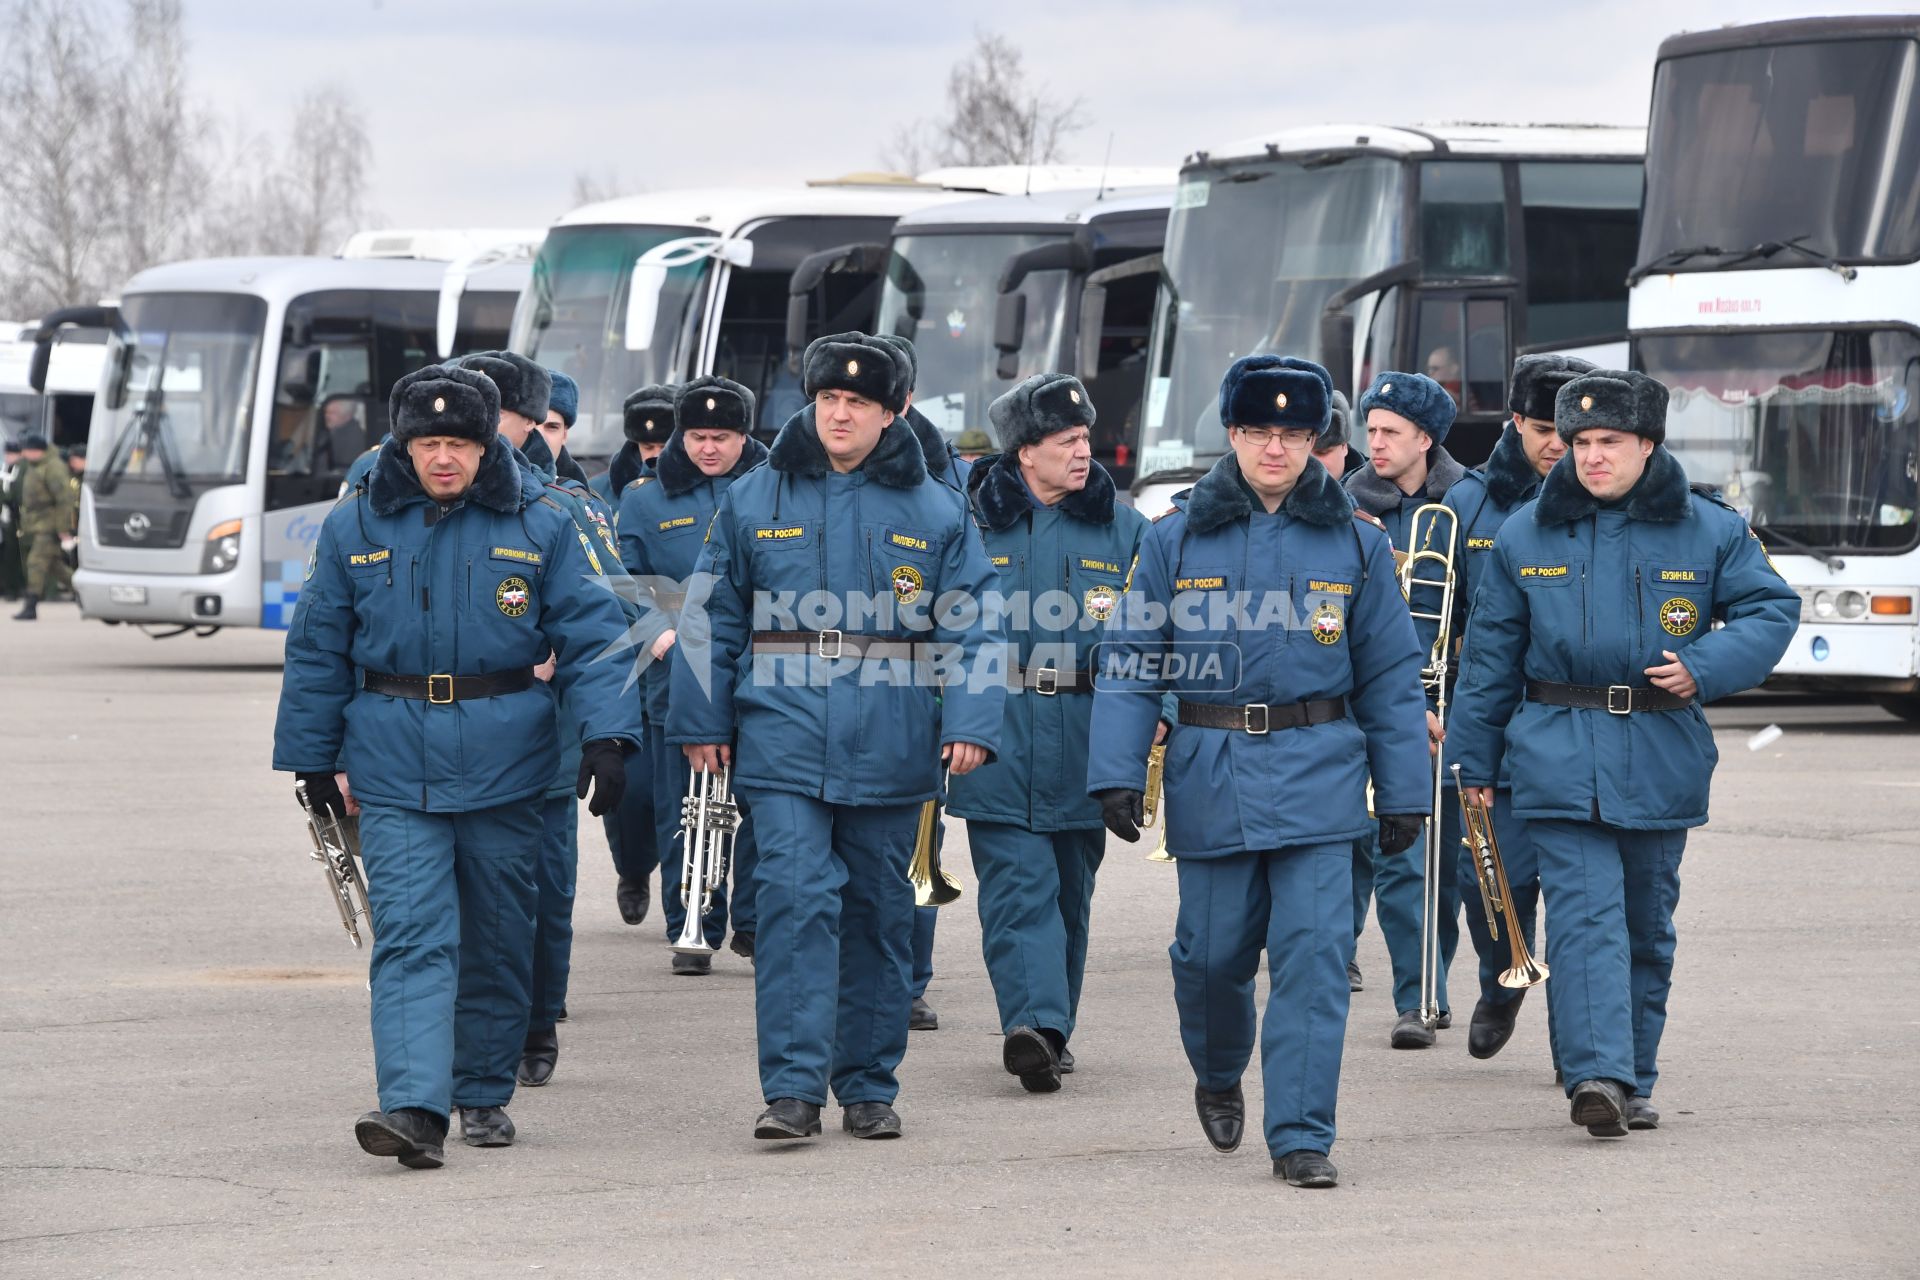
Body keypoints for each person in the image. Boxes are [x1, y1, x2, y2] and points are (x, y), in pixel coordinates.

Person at [272, 363, 644, 1169]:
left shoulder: (542, 521)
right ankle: (413, 1105)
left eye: (459, 443)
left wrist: (610, 739)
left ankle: (480, 1089)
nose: (443, 458)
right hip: (392, 761)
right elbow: (317, 649)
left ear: (485, 446)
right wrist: (310, 756)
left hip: (507, 759)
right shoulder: (356, 527)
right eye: (428, 442)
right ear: (404, 446)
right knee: (409, 935)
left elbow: (592, 634)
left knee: (500, 933)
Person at [1087, 354, 1429, 1189]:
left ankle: (1302, 1134)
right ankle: (1216, 1069)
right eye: (1258, 431)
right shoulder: (1173, 539)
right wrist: (1116, 771)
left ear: (1316, 442)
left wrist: (1405, 793)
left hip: (1321, 773)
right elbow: (1131, 659)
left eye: (1293, 434)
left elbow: (1388, 675)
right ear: (1232, 435)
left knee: (1314, 957)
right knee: (1209, 959)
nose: (1275, 448)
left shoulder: (1357, 543)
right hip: (1214, 772)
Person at [669, 331, 1005, 1142]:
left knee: (878, 914)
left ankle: (866, 1084)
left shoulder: (936, 508)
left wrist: (969, 718)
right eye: (827, 400)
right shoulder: (756, 497)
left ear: (892, 413)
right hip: (781, 731)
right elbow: (708, 612)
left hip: (893, 736)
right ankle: (790, 1090)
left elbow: (976, 624)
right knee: (792, 901)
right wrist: (701, 716)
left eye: (858, 402)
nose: (839, 415)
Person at [1446, 369, 1796, 1137]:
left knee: (1646, 923)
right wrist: (1470, 768)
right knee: (1583, 918)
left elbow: (1771, 609)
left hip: (1659, 748)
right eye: (1580, 442)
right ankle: (1594, 1076)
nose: (1592, 456)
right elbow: (1489, 664)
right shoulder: (1525, 532)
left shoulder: (1709, 528)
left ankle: (1633, 1075)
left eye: (1610, 441)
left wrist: (1706, 666)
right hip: (1555, 751)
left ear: (1647, 443)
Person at [950, 372, 1152, 1091]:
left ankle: (1052, 1025)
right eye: (1065, 441)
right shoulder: (969, 525)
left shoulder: (1124, 528)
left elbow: (1153, 640)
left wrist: (1148, 736)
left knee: (1070, 890)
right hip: (995, 731)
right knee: (1016, 888)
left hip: (1086, 735)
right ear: (1023, 452)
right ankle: (1028, 1024)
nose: (1082, 453)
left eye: (1084, 439)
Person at [1415, 353, 1590, 1063]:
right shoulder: (1467, 504)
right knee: (1486, 879)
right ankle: (1501, 977)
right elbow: (1425, 618)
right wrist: (1425, 702)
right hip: (1486, 722)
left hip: (1575, 721)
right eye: (1545, 429)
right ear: (1515, 421)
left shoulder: (1603, 497)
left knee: (1584, 902)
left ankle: (1586, 1049)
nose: (1558, 445)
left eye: (1570, 433)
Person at [617, 376, 769, 973]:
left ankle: (755, 922)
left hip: (759, 669)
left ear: (743, 437)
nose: (710, 448)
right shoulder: (643, 498)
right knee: (683, 804)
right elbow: (624, 576)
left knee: (760, 803)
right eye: (699, 436)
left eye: (723, 437)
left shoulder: (773, 491)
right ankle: (692, 919)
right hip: (676, 671)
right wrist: (659, 633)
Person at [1344, 370, 1466, 1048]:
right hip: (1371, 703)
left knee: (1436, 865)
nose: (1377, 444)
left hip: (1447, 703)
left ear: (1426, 438)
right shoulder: (1342, 504)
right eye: (1372, 431)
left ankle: (1430, 988)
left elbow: (1486, 611)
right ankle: (1415, 999)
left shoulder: (1467, 505)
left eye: (1391, 432)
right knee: (1383, 856)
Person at [876, 334, 969, 1032]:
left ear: (903, 402)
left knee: (920, 839)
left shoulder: (949, 480)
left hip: (922, 683)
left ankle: (910, 980)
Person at [1310, 390, 1371, 992]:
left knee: (1355, 840)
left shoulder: (1362, 523)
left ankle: (1342, 943)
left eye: (1330, 447)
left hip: (1350, 700)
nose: (1321, 459)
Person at [13, 435, 75, 621]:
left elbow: (64, 500)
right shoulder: (35, 466)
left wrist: (63, 528)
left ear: (37, 450)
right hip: (38, 523)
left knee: (36, 562)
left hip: (49, 524)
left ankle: (31, 605)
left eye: (26, 449)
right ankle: (85, 590)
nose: (23, 453)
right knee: (55, 567)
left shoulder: (53, 467)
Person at [593, 385, 674, 507]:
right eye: (648, 447)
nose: (656, 455)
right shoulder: (596, 492)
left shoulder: (704, 489)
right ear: (636, 445)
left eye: (664, 447)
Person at [0, 437, 25, 600]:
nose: (10, 456)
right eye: (8, 453)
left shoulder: (22, 469)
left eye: (13, 453)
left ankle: (15, 588)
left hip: (17, 517)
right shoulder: (5, 468)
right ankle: (6, 586)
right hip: (4, 517)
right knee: (5, 554)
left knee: (15, 555)